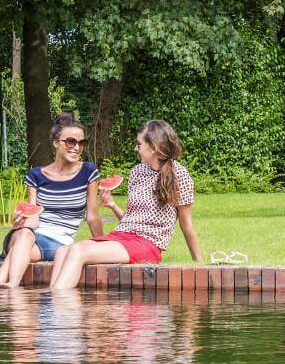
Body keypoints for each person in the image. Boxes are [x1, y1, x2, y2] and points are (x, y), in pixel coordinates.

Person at [49, 119, 202, 289]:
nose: (136, 148)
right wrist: (114, 206)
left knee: (78, 252)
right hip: (122, 236)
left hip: (147, 244)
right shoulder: (137, 172)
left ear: (154, 147)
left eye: (139, 144)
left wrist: (199, 264)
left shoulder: (179, 175)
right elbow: (131, 220)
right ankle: (54, 309)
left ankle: (56, 306)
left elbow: (186, 224)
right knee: (62, 251)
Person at [0, 113, 102, 289]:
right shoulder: (36, 175)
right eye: (70, 142)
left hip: (58, 243)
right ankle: (12, 283)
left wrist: (100, 247)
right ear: (55, 143)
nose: (77, 147)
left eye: (81, 143)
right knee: (24, 233)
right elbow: (34, 217)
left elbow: (92, 216)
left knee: (20, 247)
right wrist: (19, 222)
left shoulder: (88, 172)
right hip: (28, 235)